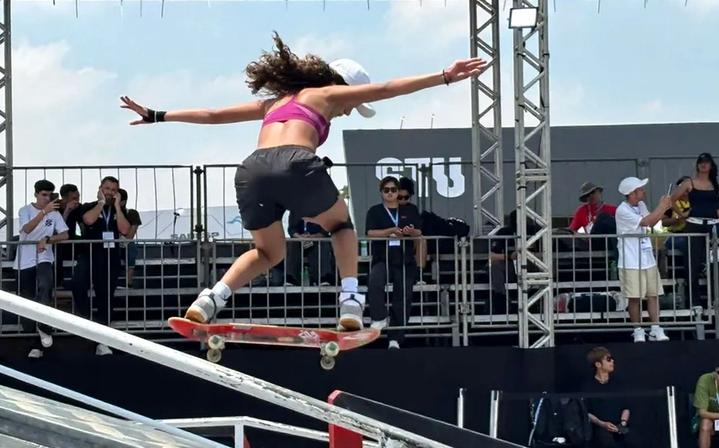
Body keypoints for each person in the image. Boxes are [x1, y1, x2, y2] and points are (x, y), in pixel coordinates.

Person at [121, 33, 485, 330]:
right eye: (351, 106)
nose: (346, 112)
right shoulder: (326, 92)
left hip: (252, 171)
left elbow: (215, 115)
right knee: (341, 226)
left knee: (269, 252)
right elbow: (387, 88)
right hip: (295, 163)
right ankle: (350, 301)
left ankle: (212, 298)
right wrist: (444, 76)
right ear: (343, 86)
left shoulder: (275, 102)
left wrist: (157, 115)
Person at [670, 153, 719, 305]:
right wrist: (682, 214)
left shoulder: (717, 183)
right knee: (692, 264)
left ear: (711, 165)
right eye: (701, 162)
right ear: (697, 165)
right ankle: (694, 303)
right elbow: (672, 199)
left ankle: (718, 300)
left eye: (706, 162)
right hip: (694, 224)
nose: (703, 165)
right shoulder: (689, 183)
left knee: (716, 262)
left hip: (713, 224)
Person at [14, 180, 69, 358]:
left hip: (44, 258)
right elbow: (27, 229)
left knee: (45, 287)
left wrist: (48, 239)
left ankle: (44, 327)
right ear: (36, 194)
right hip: (23, 262)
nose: (47, 198)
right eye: (43, 195)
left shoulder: (55, 214)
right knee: (26, 300)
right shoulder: (25, 210)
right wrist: (43, 212)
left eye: (49, 195)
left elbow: (65, 234)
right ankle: (33, 343)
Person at [76, 176, 131, 356]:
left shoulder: (120, 210)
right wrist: (100, 203)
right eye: (107, 189)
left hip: (110, 258)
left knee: (106, 297)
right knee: (79, 287)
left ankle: (103, 340)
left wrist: (116, 207)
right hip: (89, 255)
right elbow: (89, 220)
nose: (110, 192)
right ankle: (85, 328)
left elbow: (124, 230)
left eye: (114, 190)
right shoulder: (89, 206)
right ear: (100, 188)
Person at [366, 176, 422, 349]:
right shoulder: (375, 211)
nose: (390, 193)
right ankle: (379, 317)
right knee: (375, 281)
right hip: (382, 257)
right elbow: (370, 233)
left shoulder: (410, 209)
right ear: (381, 192)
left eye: (393, 190)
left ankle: (395, 337)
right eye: (386, 190)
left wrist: (410, 232)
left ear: (398, 191)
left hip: (404, 259)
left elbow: (419, 232)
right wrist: (389, 231)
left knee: (403, 296)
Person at [615, 177, 671, 343]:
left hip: (647, 258)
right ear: (632, 193)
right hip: (630, 260)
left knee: (653, 294)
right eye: (640, 189)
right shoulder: (622, 210)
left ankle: (655, 327)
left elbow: (653, 221)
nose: (643, 191)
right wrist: (662, 206)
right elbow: (647, 221)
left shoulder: (641, 205)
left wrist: (664, 207)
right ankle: (638, 329)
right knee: (634, 297)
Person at [583, 346, 631, 448]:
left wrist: (622, 424)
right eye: (608, 359)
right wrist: (602, 424)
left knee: (633, 437)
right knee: (604, 440)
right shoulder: (588, 386)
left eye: (612, 359)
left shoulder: (618, 384)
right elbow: (586, 412)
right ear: (598, 364)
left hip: (620, 426)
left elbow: (626, 407)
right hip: (599, 427)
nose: (612, 361)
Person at [118, 189, 142, 288]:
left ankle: (129, 283)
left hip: (124, 242)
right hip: (111, 243)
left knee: (131, 248)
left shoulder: (132, 213)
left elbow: (131, 234)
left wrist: (122, 241)